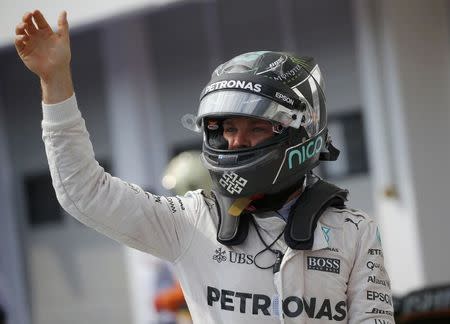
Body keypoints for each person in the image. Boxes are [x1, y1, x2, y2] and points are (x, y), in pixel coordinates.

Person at [15, 10, 395, 324]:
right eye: (229, 128)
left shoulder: (353, 232)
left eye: (256, 128)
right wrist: (55, 81)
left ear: (301, 133)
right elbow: (83, 192)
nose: (236, 141)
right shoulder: (193, 220)